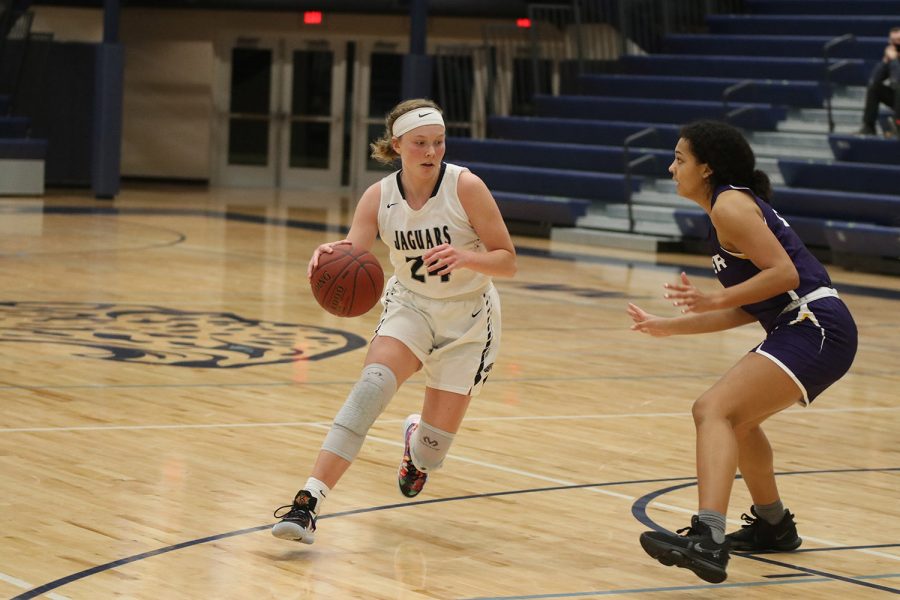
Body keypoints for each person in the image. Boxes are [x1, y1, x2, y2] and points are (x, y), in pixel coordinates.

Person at [271, 98, 517, 544]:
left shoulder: (466, 187)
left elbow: (508, 261)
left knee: (431, 453)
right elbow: (354, 253)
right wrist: (329, 255)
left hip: (469, 320)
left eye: (438, 143)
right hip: (411, 307)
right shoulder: (379, 197)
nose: (431, 152)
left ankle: (416, 449)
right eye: (420, 143)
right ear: (398, 145)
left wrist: (467, 256)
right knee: (370, 388)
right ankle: (307, 502)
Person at [628, 120, 857, 584]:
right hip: (801, 324)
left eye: (680, 159)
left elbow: (785, 275)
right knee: (740, 423)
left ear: (707, 168)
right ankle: (773, 525)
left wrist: (713, 298)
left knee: (712, 409)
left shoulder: (730, 205)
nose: (671, 168)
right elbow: (751, 307)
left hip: (815, 324)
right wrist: (671, 327)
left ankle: (708, 537)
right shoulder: (723, 213)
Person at [859, 26, 900, 137]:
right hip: (897, 100)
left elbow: (897, 81)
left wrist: (895, 61)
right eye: (893, 41)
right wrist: (885, 62)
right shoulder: (892, 58)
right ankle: (869, 127)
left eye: (899, 40)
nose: (896, 44)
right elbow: (874, 79)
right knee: (874, 87)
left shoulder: (895, 60)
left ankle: (898, 127)